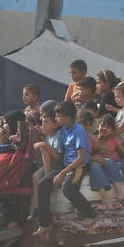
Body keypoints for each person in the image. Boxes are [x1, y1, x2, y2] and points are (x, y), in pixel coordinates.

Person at [34, 101, 97, 239]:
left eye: (58, 116)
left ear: (67, 118)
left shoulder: (79, 131)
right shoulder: (64, 129)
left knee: (68, 186)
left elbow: (81, 158)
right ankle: (45, 224)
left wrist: (63, 173)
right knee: (42, 184)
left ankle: (90, 214)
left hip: (78, 166)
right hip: (66, 165)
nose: (56, 119)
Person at [28, 108, 63, 222]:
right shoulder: (48, 137)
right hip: (48, 165)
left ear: (55, 124)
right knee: (35, 176)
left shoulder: (58, 136)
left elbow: (58, 156)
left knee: (43, 148)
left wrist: (44, 145)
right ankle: (37, 207)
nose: (43, 125)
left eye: (46, 122)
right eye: (42, 122)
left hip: (56, 166)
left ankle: (47, 177)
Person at [79, 110, 120, 204]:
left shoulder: (91, 138)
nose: (87, 127)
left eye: (90, 125)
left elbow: (95, 152)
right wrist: (92, 158)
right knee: (95, 165)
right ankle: (103, 195)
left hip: (89, 160)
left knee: (108, 161)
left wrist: (100, 151)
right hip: (80, 163)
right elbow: (75, 156)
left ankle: (119, 192)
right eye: (84, 124)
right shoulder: (74, 137)